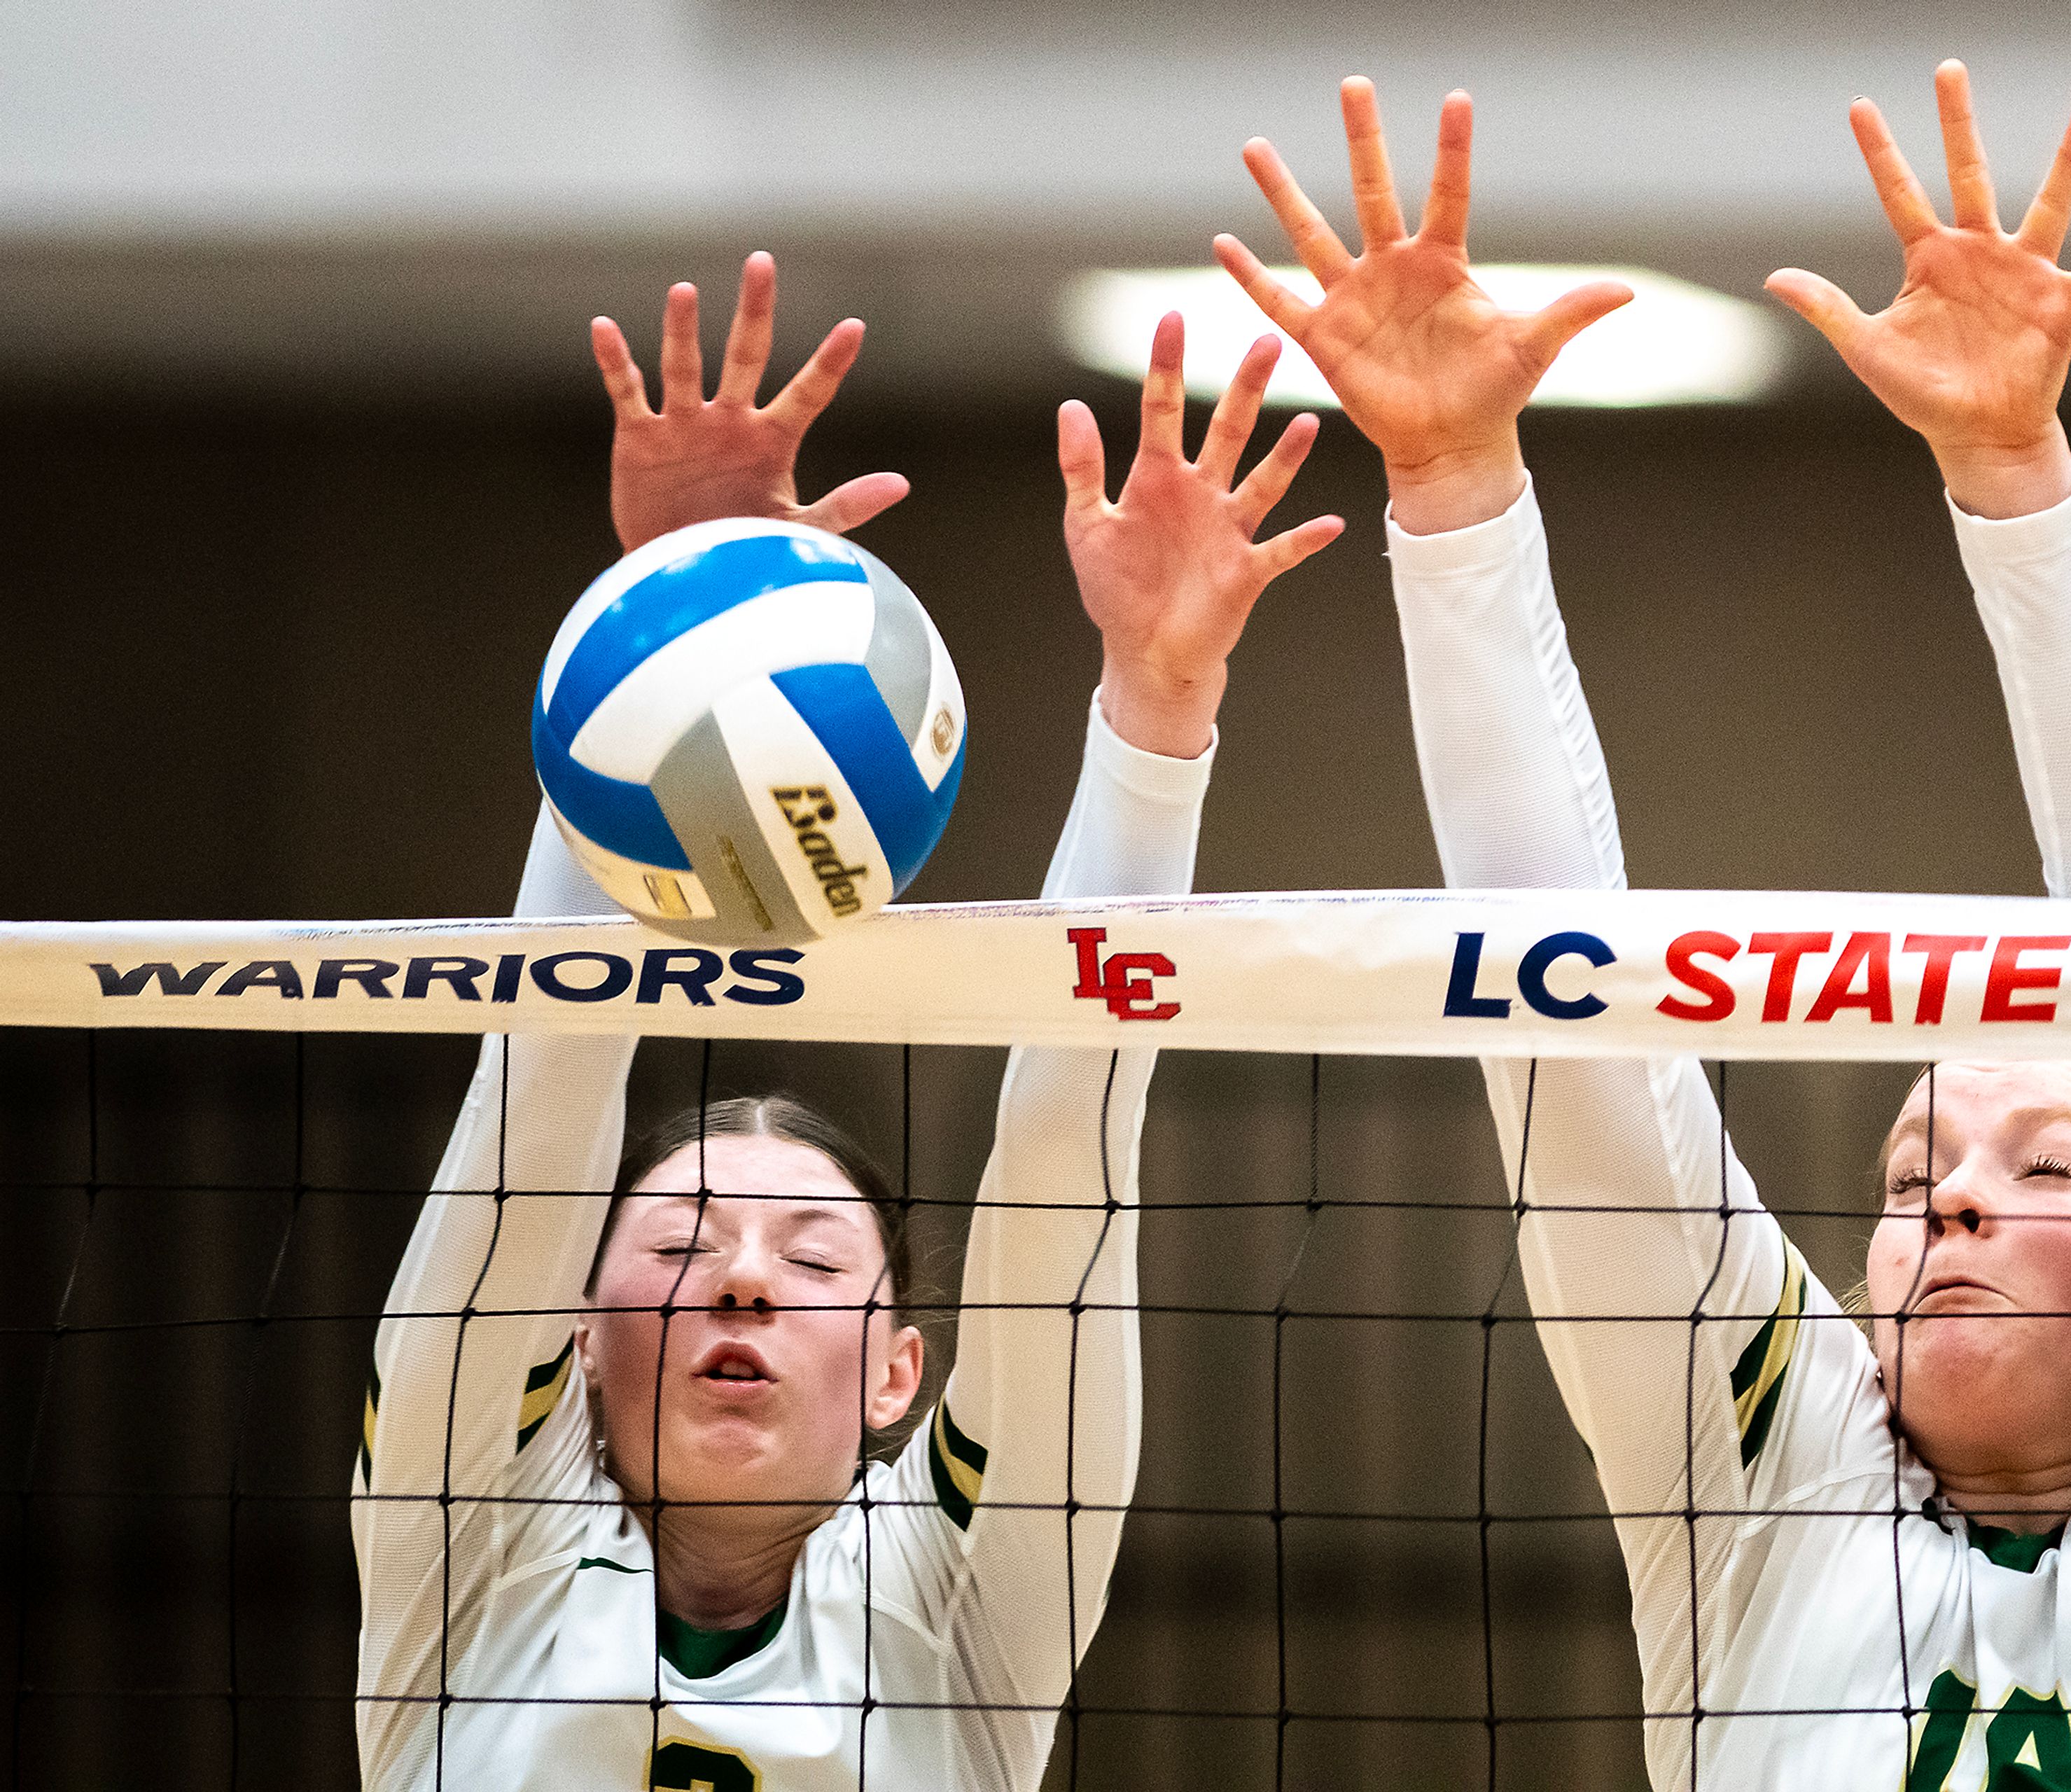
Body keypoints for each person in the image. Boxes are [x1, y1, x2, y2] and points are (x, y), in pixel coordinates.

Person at [1218, 67, 2071, 1789]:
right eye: (1910, 1170)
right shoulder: (1756, 1500)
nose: (1948, 1197)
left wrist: (2016, 472)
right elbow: (1565, 1028)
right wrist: (1450, 488)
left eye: (2046, 1165)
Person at [351, 253, 1343, 1790]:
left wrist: (1157, 710)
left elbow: (1065, 1160)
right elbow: (538, 1081)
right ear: (575, 1334)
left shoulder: (955, 1614)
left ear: (898, 1373)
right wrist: (656, 642)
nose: (743, 1279)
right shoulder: (467, 1545)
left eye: (813, 1262)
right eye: (678, 1248)